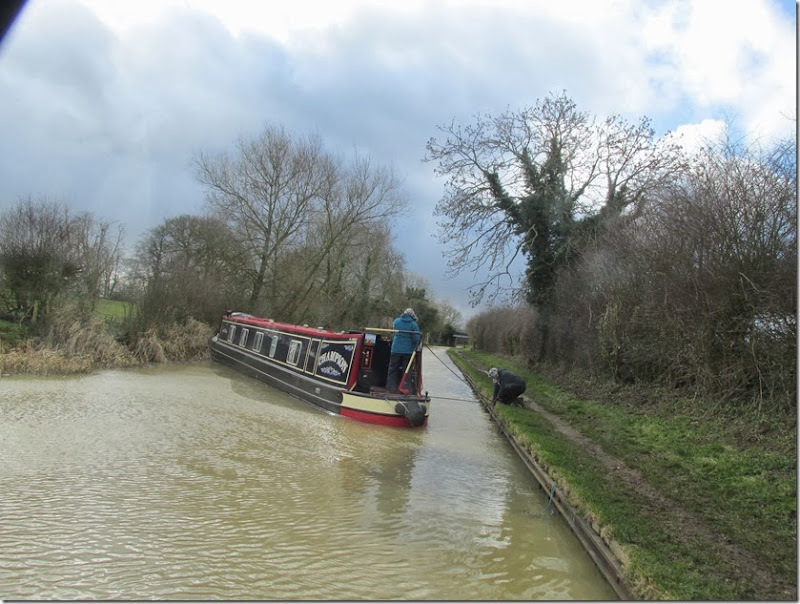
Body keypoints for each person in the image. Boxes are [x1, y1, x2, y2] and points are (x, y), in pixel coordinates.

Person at [386, 308, 421, 393]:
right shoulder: (413, 325)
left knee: (392, 369)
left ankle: (391, 388)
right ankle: (405, 389)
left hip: (395, 350)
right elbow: (416, 339)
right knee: (407, 370)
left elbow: (391, 331)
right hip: (408, 351)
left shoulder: (396, 321)